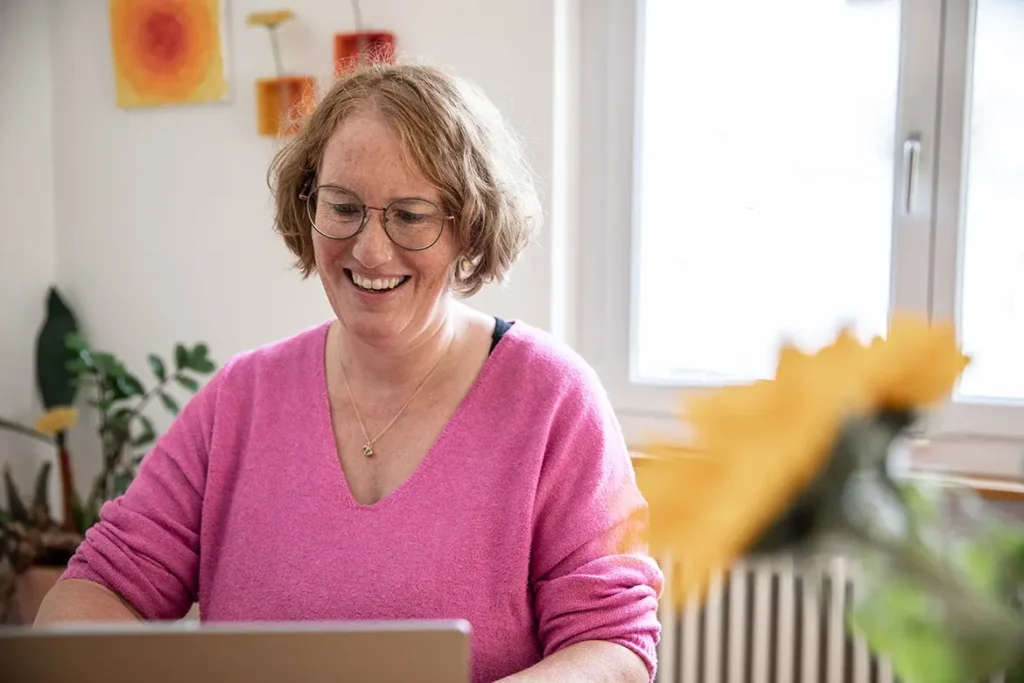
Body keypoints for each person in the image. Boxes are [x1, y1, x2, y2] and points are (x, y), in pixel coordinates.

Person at [35, 62, 664, 682]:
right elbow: (93, 589)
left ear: (469, 227)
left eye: (411, 216)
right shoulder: (241, 398)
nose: (370, 250)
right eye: (343, 207)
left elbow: (613, 646)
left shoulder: (553, 397)